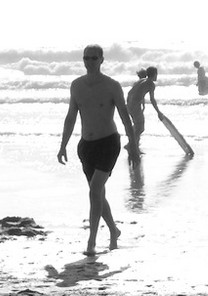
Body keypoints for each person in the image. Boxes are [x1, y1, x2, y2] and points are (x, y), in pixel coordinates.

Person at [57, 44, 139, 256]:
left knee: (94, 191)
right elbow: (71, 117)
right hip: (86, 146)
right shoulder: (76, 86)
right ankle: (114, 230)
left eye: (94, 58)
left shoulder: (112, 85)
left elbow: (124, 116)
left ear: (102, 60)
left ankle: (91, 242)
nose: (90, 62)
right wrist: (63, 145)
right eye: (86, 58)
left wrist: (134, 146)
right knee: (98, 195)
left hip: (108, 143)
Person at [126, 66, 162, 142]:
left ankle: (132, 139)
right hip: (135, 105)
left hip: (129, 104)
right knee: (140, 128)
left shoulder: (142, 80)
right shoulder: (151, 84)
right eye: (157, 74)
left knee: (137, 125)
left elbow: (133, 92)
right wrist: (158, 112)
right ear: (155, 74)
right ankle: (132, 143)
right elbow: (152, 100)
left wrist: (142, 105)